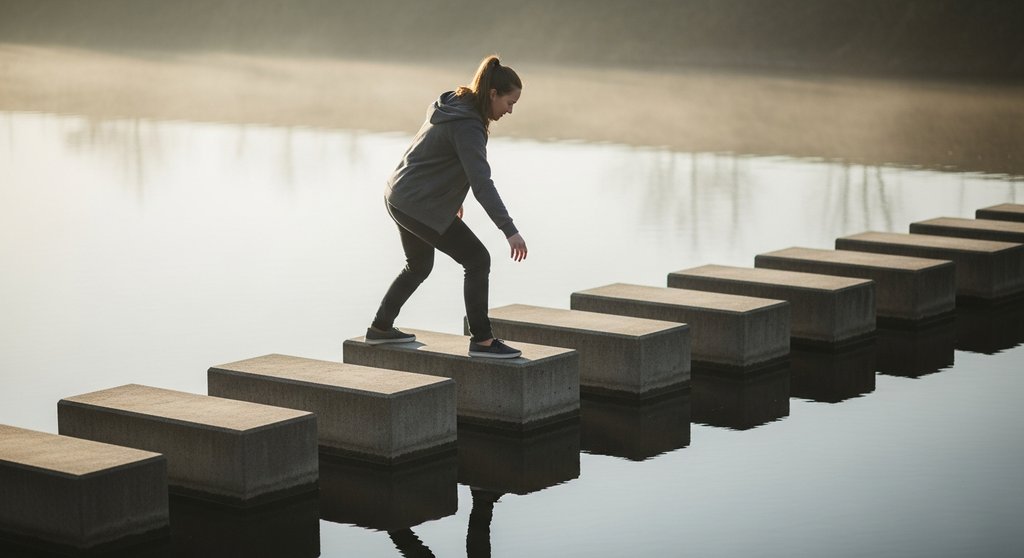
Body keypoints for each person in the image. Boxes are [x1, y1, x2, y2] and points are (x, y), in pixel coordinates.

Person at [365, 55, 527, 359]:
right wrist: (510, 230)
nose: (510, 110)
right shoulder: (468, 125)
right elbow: (482, 183)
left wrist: (451, 199)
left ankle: (380, 329)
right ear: (493, 94)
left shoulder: (454, 103)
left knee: (419, 265)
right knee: (478, 260)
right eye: (509, 102)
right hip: (418, 203)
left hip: (400, 195)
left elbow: (437, 157)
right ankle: (482, 341)